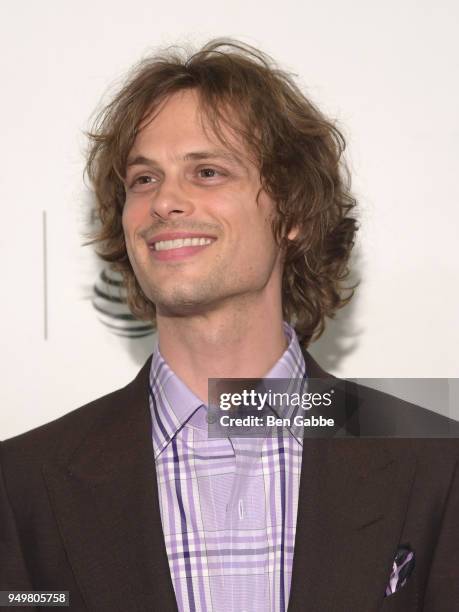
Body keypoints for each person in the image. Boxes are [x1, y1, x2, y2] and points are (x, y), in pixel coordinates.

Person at [1, 39, 458, 612]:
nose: (165, 201)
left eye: (208, 172)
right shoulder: (20, 484)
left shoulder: (438, 459)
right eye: (144, 180)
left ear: (291, 215)